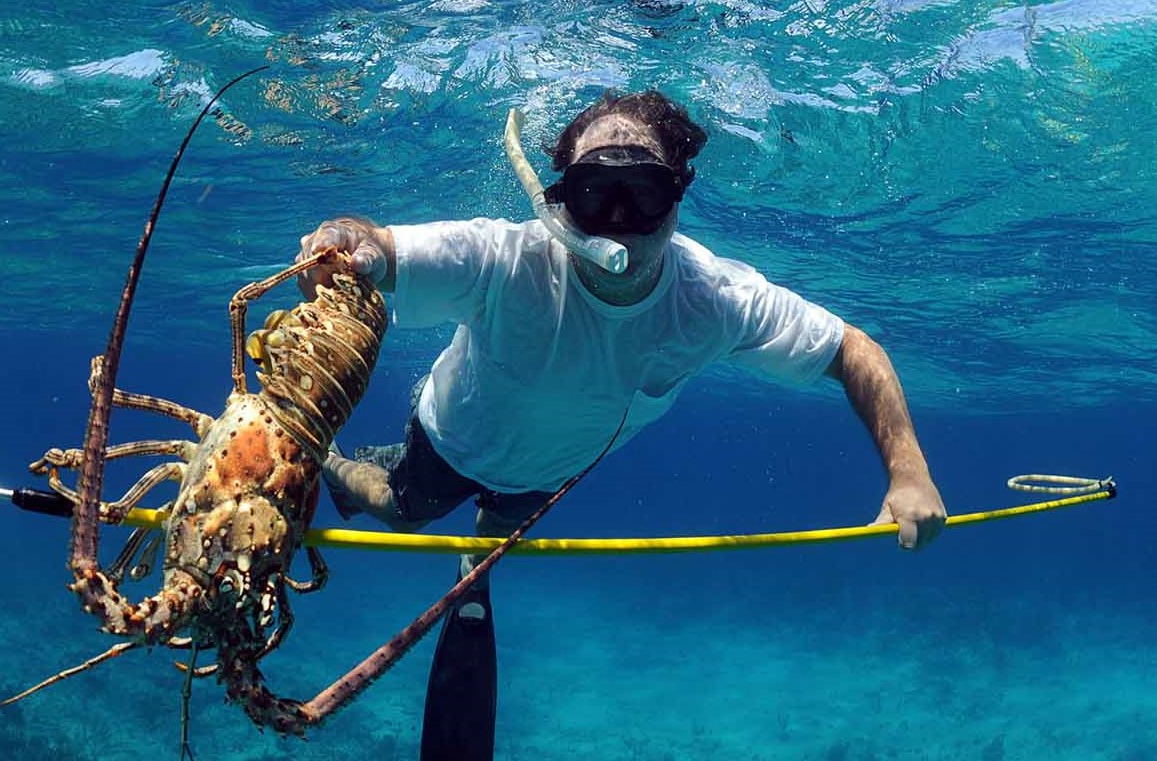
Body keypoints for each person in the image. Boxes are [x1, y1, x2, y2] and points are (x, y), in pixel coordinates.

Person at [295, 90, 947, 760]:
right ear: (557, 201)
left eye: (641, 192)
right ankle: (340, 465)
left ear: (677, 196)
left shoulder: (712, 299)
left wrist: (908, 473)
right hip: (451, 439)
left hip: (548, 477)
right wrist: (347, 247)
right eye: (593, 192)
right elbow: (375, 243)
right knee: (404, 511)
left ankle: (478, 553)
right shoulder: (499, 258)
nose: (616, 223)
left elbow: (852, 350)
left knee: (493, 535)